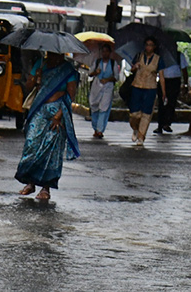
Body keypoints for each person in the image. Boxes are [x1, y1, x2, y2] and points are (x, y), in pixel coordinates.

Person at [15, 51, 80, 202]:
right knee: (32, 144)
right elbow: (28, 86)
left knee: (51, 149)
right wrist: (35, 77)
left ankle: (46, 187)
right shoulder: (40, 64)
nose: (53, 57)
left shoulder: (67, 70)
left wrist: (59, 115)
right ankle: (30, 183)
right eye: (50, 54)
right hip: (39, 109)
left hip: (58, 111)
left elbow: (70, 95)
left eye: (56, 55)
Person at [127, 37, 166, 145]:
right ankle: (135, 128)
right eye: (147, 44)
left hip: (150, 88)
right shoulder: (139, 56)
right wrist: (135, 66)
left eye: (151, 45)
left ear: (154, 47)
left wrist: (163, 92)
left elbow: (161, 76)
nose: (148, 47)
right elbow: (132, 69)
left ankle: (141, 136)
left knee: (146, 114)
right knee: (134, 114)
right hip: (137, 86)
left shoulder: (158, 59)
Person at [88, 42, 119, 138]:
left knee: (104, 108)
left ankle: (100, 129)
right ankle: (95, 127)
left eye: (106, 51)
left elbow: (116, 77)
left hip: (107, 87)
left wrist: (108, 79)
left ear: (109, 53)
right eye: (103, 51)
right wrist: (95, 72)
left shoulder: (113, 63)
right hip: (97, 86)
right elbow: (90, 73)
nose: (105, 53)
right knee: (94, 106)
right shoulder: (97, 62)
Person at [155, 49, 190, 134]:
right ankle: (160, 125)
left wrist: (185, 83)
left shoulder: (179, 56)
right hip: (164, 80)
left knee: (171, 102)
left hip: (175, 81)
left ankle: (167, 123)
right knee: (161, 102)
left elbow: (184, 70)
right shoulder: (161, 55)